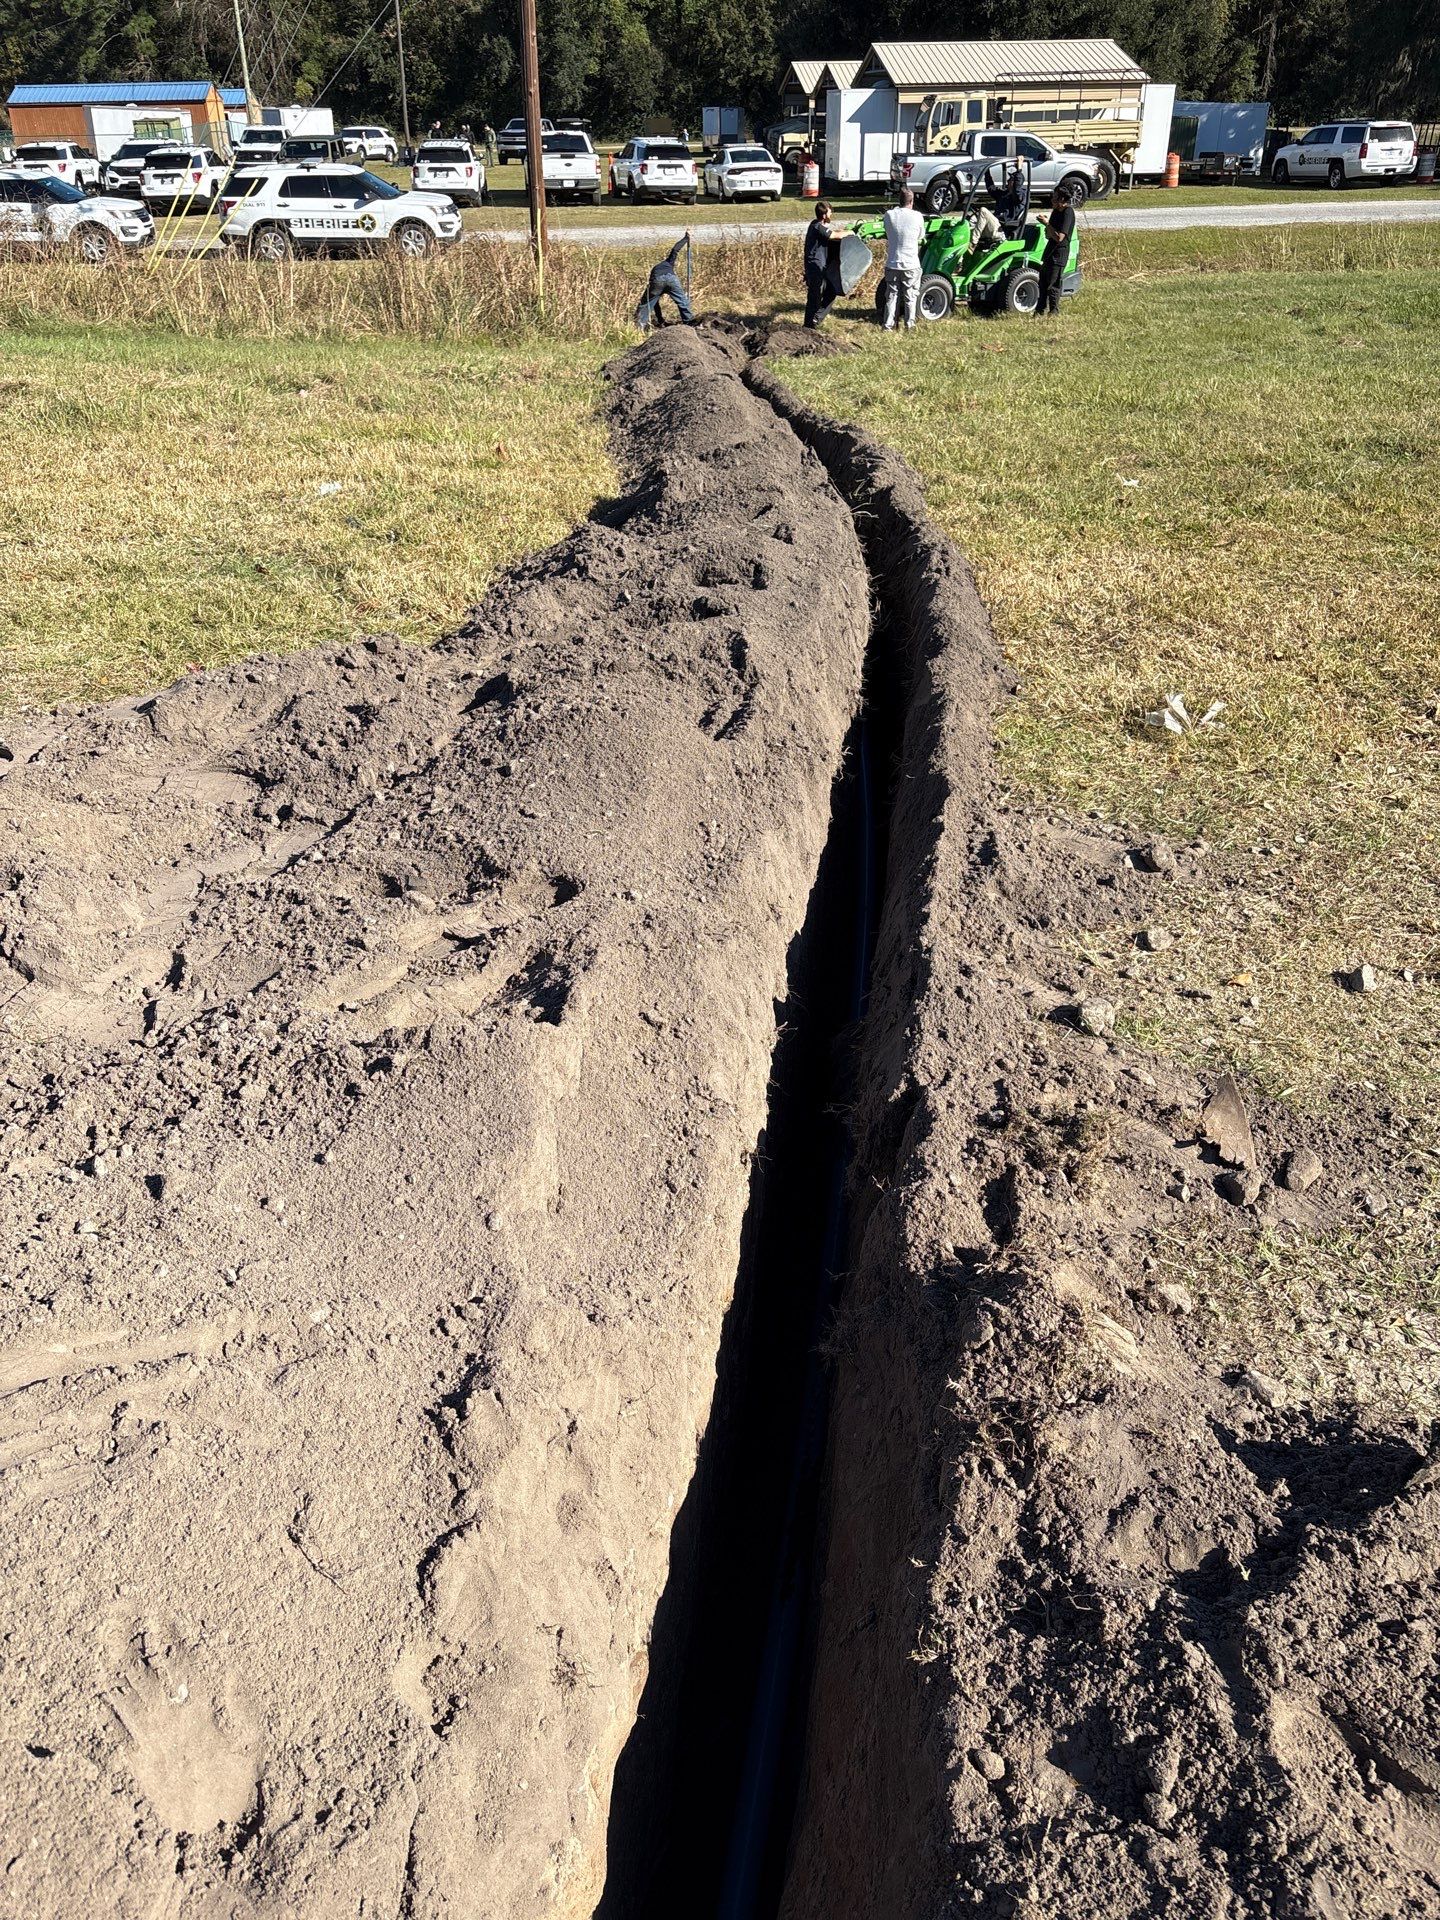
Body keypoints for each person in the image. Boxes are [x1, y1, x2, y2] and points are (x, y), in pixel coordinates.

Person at [881, 186, 926, 331]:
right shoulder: (917, 216)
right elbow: (921, 236)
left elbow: (887, 232)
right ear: (911, 202)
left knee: (891, 296)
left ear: (898, 200)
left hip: (893, 262)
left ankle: (888, 325)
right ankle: (909, 325)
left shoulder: (889, 215)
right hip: (911, 263)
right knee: (910, 296)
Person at [636, 233, 696, 332]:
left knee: (645, 304)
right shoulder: (668, 262)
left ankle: (639, 327)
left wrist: (660, 320)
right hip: (672, 279)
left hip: (656, 280)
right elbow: (675, 250)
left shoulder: (655, 269)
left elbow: (654, 303)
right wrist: (686, 238)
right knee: (682, 302)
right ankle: (690, 324)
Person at [802, 199, 843, 329]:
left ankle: (816, 319)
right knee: (814, 296)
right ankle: (808, 325)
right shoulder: (816, 226)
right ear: (824, 215)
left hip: (822, 266)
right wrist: (850, 233)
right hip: (814, 267)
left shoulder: (819, 226)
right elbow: (833, 236)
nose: (831, 215)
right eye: (830, 213)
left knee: (831, 291)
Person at [1036, 184, 1075, 317]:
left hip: (1059, 253)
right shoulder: (1055, 212)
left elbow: (1060, 237)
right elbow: (1049, 235)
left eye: (1055, 197)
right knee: (1042, 282)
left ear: (1062, 199)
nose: (1052, 199)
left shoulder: (1068, 212)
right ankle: (1039, 311)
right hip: (1049, 251)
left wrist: (1047, 224)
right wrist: (1047, 226)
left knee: (1053, 284)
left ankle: (1053, 312)